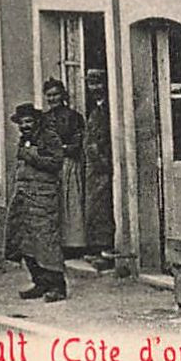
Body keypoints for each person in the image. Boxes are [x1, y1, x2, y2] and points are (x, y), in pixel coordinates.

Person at [5, 103, 68, 302]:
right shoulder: (24, 140)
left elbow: (56, 163)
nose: (25, 126)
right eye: (22, 123)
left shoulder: (50, 137)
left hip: (44, 196)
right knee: (24, 240)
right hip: (24, 196)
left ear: (37, 121)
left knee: (46, 241)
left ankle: (57, 286)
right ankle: (40, 282)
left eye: (29, 122)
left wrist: (32, 156)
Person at [41, 78, 87, 256]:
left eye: (56, 94)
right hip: (50, 166)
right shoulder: (44, 119)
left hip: (68, 165)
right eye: (49, 95)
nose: (52, 99)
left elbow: (77, 143)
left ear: (63, 95)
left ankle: (73, 245)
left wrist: (61, 149)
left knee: (71, 202)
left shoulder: (73, 117)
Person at [82, 69, 116, 270]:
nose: (95, 88)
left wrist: (102, 160)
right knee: (96, 208)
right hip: (94, 168)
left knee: (105, 207)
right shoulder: (96, 109)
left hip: (103, 167)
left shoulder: (108, 111)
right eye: (91, 84)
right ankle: (100, 248)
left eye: (98, 83)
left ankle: (108, 251)